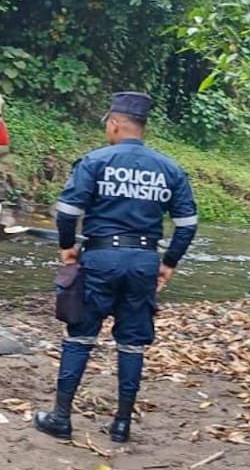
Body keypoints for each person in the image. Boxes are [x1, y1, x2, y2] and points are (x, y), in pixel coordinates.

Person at [34, 92, 198, 444]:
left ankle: (61, 418)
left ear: (114, 123)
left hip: (100, 258)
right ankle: (121, 425)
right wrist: (169, 263)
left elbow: (67, 213)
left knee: (80, 336)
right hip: (143, 261)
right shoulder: (169, 169)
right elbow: (187, 224)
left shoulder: (95, 162)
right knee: (132, 343)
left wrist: (66, 247)